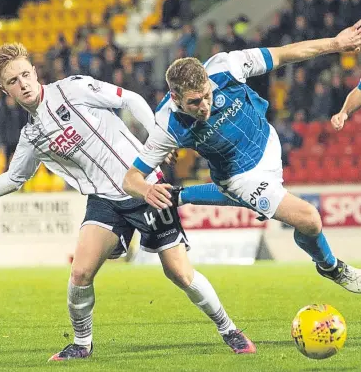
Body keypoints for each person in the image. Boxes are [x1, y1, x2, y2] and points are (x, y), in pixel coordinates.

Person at [0, 43, 256, 360]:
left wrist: (158, 137)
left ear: (34, 72)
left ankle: (229, 329)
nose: (23, 84)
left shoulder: (73, 88)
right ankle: (81, 344)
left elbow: (130, 98)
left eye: (25, 75)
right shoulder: (31, 136)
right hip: (104, 201)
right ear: (5, 90)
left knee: (179, 274)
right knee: (80, 273)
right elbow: (12, 180)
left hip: (145, 187)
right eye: (13, 81)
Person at [123, 20, 361, 294]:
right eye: (194, 102)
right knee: (309, 219)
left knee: (291, 217)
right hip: (239, 176)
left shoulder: (227, 67)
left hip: (268, 142)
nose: (204, 107)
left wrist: (335, 43)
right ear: (175, 98)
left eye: (207, 96)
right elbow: (131, 178)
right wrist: (146, 190)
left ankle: (183, 196)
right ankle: (332, 267)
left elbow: (284, 54)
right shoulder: (167, 126)